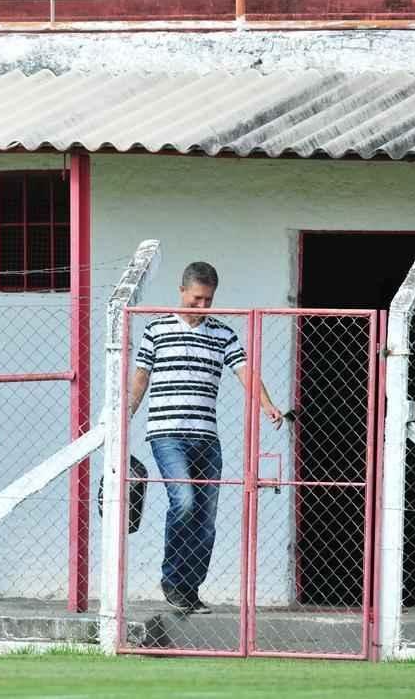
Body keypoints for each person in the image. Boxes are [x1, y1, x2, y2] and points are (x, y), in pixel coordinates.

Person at [128, 261, 282, 614]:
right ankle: (172, 579)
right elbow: (141, 377)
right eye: (196, 299)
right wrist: (126, 413)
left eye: (208, 300)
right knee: (183, 501)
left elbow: (245, 371)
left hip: (206, 437)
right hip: (167, 433)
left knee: (206, 516)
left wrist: (267, 405)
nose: (201, 306)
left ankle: (189, 589)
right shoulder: (156, 329)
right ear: (181, 291)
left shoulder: (222, 333)